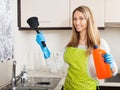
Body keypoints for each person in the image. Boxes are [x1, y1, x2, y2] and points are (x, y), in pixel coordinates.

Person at [36, 6, 118, 90]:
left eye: (81, 18)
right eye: (74, 19)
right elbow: (54, 69)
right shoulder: (70, 46)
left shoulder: (100, 44)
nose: (77, 22)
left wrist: (111, 65)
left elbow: (113, 71)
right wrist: (44, 48)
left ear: (88, 20)